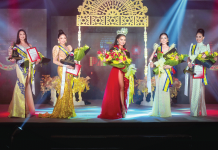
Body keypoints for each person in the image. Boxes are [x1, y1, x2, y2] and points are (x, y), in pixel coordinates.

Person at [39, 30, 76, 119]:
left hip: (70, 69)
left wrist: (73, 64)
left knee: (69, 88)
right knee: (65, 87)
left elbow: (72, 59)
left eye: (64, 38)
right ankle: (61, 110)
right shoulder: (57, 47)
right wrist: (65, 65)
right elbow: (55, 61)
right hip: (62, 68)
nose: (63, 40)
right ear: (58, 39)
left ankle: (68, 110)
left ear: (66, 39)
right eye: (61, 38)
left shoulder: (69, 48)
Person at [8, 29, 40, 118]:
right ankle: (18, 110)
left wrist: (37, 60)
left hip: (28, 67)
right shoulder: (15, 46)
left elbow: (34, 58)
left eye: (23, 34)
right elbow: (12, 59)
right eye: (20, 34)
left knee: (26, 85)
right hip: (20, 66)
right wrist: (11, 57)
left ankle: (26, 109)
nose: (22, 36)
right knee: (20, 84)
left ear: (25, 35)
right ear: (18, 36)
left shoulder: (29, 45)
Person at [98, 34, 130, 119]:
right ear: (117, 40)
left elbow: (128, 63)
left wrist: (125, 63)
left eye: (124, 40)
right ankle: (121, 109)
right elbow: (107, 59)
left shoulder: (126, 51)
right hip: (117, 71)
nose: (123, 41)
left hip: (124, 71)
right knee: (118, 89)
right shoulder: (113, 49)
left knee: (123, 89)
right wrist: (104, 58)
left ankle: (123, 108)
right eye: (121, 39)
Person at [149, 33, 175, 117]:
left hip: (166, 72)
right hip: (159, 72)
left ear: (167, 39)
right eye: (161, 38)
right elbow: (151, 58)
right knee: (159, 90)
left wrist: (169, 66)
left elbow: (174, 61)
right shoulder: (158, 48)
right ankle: (158, 111)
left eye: (165, 38)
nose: (163, 40)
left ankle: (165, 111)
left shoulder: (170, 49)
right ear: (160, 40)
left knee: (165, 90)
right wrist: (151, 63)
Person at [186, 29, 210, 116]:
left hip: (201, 71)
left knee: (200, 91)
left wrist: (205, 57)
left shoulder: (206, 47)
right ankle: (193, 111)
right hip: (193, 71)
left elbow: (208, 61)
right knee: (193, 90)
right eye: (197, 36)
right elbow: (189, 57)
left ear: (203, 37)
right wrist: (188, 62)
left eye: (200, 37)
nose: (198, 38)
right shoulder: (192, 47)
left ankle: (201, 110)